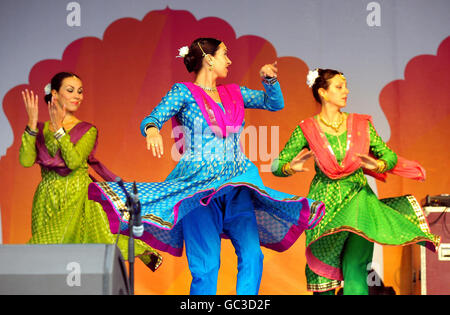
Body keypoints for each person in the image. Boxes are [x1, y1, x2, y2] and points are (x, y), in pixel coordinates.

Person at [88, 38, 325, 295]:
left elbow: (273, 103)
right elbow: (153, 117)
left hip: (237, 186)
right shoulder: (183, 92)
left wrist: (268, 80)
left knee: (253, 257)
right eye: (225, 54)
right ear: (209, 59)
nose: (230, 60)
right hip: (198, 191)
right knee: (206, 266)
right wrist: (152, 130)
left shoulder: (234, 93)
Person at [271, 68, 440, 295]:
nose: (346, 91)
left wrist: (378, 164)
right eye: (339, 87)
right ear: (322, 92)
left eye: (346, 86)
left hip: (359, 202)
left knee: (356, 268)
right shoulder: (307, 129)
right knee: (322, 281)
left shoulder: (361, 124)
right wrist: (289, 167)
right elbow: (275, 166)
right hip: (324, 208)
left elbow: (388, 155)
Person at [20, 72, 162, 271]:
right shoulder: (40, 129)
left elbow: (74, 161)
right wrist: (31, 125)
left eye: (80, 91)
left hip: (77, 196)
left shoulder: (87, 130)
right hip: (45, 198)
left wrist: (59, 130)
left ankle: (137, 249)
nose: (77, 95)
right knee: (47, 262)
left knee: (55, 246)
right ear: (55, 94)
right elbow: (26, 161)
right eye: (70, 90)